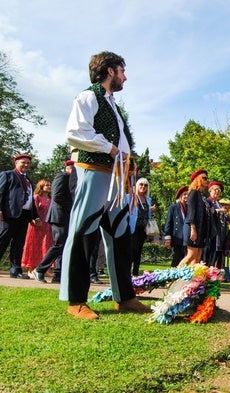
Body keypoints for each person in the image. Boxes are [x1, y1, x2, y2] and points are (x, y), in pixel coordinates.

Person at [60, 51, 150, 320]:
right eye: (122, 70)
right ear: (110, 70)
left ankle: (124, 297)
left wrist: (127, 162)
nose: (125, 76)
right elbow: (75, 133)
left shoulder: (112, 105)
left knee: (120, 235)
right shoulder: (88, 96)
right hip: (93, 172)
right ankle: (76, 300)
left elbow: (119, 142)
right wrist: (110, 149)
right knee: (83, 232)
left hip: (116, 178)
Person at [0, 153, 41, 279]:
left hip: (24, 216)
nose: (26, 165)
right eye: (23, 162)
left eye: (28, 163)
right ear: (16, 163)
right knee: (2, 240)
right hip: (10, 215)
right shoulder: (7, 175)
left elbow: (30, 200)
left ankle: (16, 270)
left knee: (18, 244)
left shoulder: (28, 180)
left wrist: (36, 216)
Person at [35, 160, 75, 284]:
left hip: (67, 217)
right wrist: (74, 206)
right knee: (59, 244)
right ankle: (40, 269)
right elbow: (57, 196)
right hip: (59, 216)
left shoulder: (73, 180)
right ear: (70, 167)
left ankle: (58, 275)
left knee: (64, 245)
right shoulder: (62, 176)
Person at [22, 179, 53, 276]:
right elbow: (32, 210)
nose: (49, 187)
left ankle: (45, 269)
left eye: (50, 185)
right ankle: (31, 269)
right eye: (47, 185)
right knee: (34, 246)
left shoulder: (51, 199)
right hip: (36, 226)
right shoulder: (36, 198)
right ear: (41, 186)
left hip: (47, 227)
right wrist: (33, 220)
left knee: (46, 246)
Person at [180, 169, 211, 265]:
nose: (207, 180)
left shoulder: (202, 195)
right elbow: (191, 212)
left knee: (197, 258)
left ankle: (191, 279)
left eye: (207, 178)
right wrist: (193, 229)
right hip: (193, 228)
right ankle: (172, 275)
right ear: (198, 179)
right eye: (204, 178)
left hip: (201, 230)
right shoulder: (193, 193)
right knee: (191, 255)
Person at [127, 177, 155, 276]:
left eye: (145, 185)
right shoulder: (131, 197)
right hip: (133, 227)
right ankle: (127, 272)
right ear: (137, 186)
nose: (143, 187)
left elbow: (146, 213)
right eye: (141, 184)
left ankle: (135, 272)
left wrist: (151, 211)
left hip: (142, 229)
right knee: (132, 250)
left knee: (138, 251)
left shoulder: (148, 199)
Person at [204, 181, 230, 269]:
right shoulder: (207, 201)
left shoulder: (219, 204)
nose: (217, 192)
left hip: (219, 234)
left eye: (219, 190)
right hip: (209, 233)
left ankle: (211, 275)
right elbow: (208, 212)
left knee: (214, 256)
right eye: (215, 190)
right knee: (206, 256)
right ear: (210, 190)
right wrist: (218, 211)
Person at [164, 185, 189, 267]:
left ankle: (181, 276)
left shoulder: (189, 208)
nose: (186, 196)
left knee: (185, 258)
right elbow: (169, 222)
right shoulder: (173, 208)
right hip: (177, 237)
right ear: (180, 196)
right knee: (177, 258)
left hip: (187, 238)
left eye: (187, 194)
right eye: (184, 194)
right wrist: (168, 238)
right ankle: (171, 276)